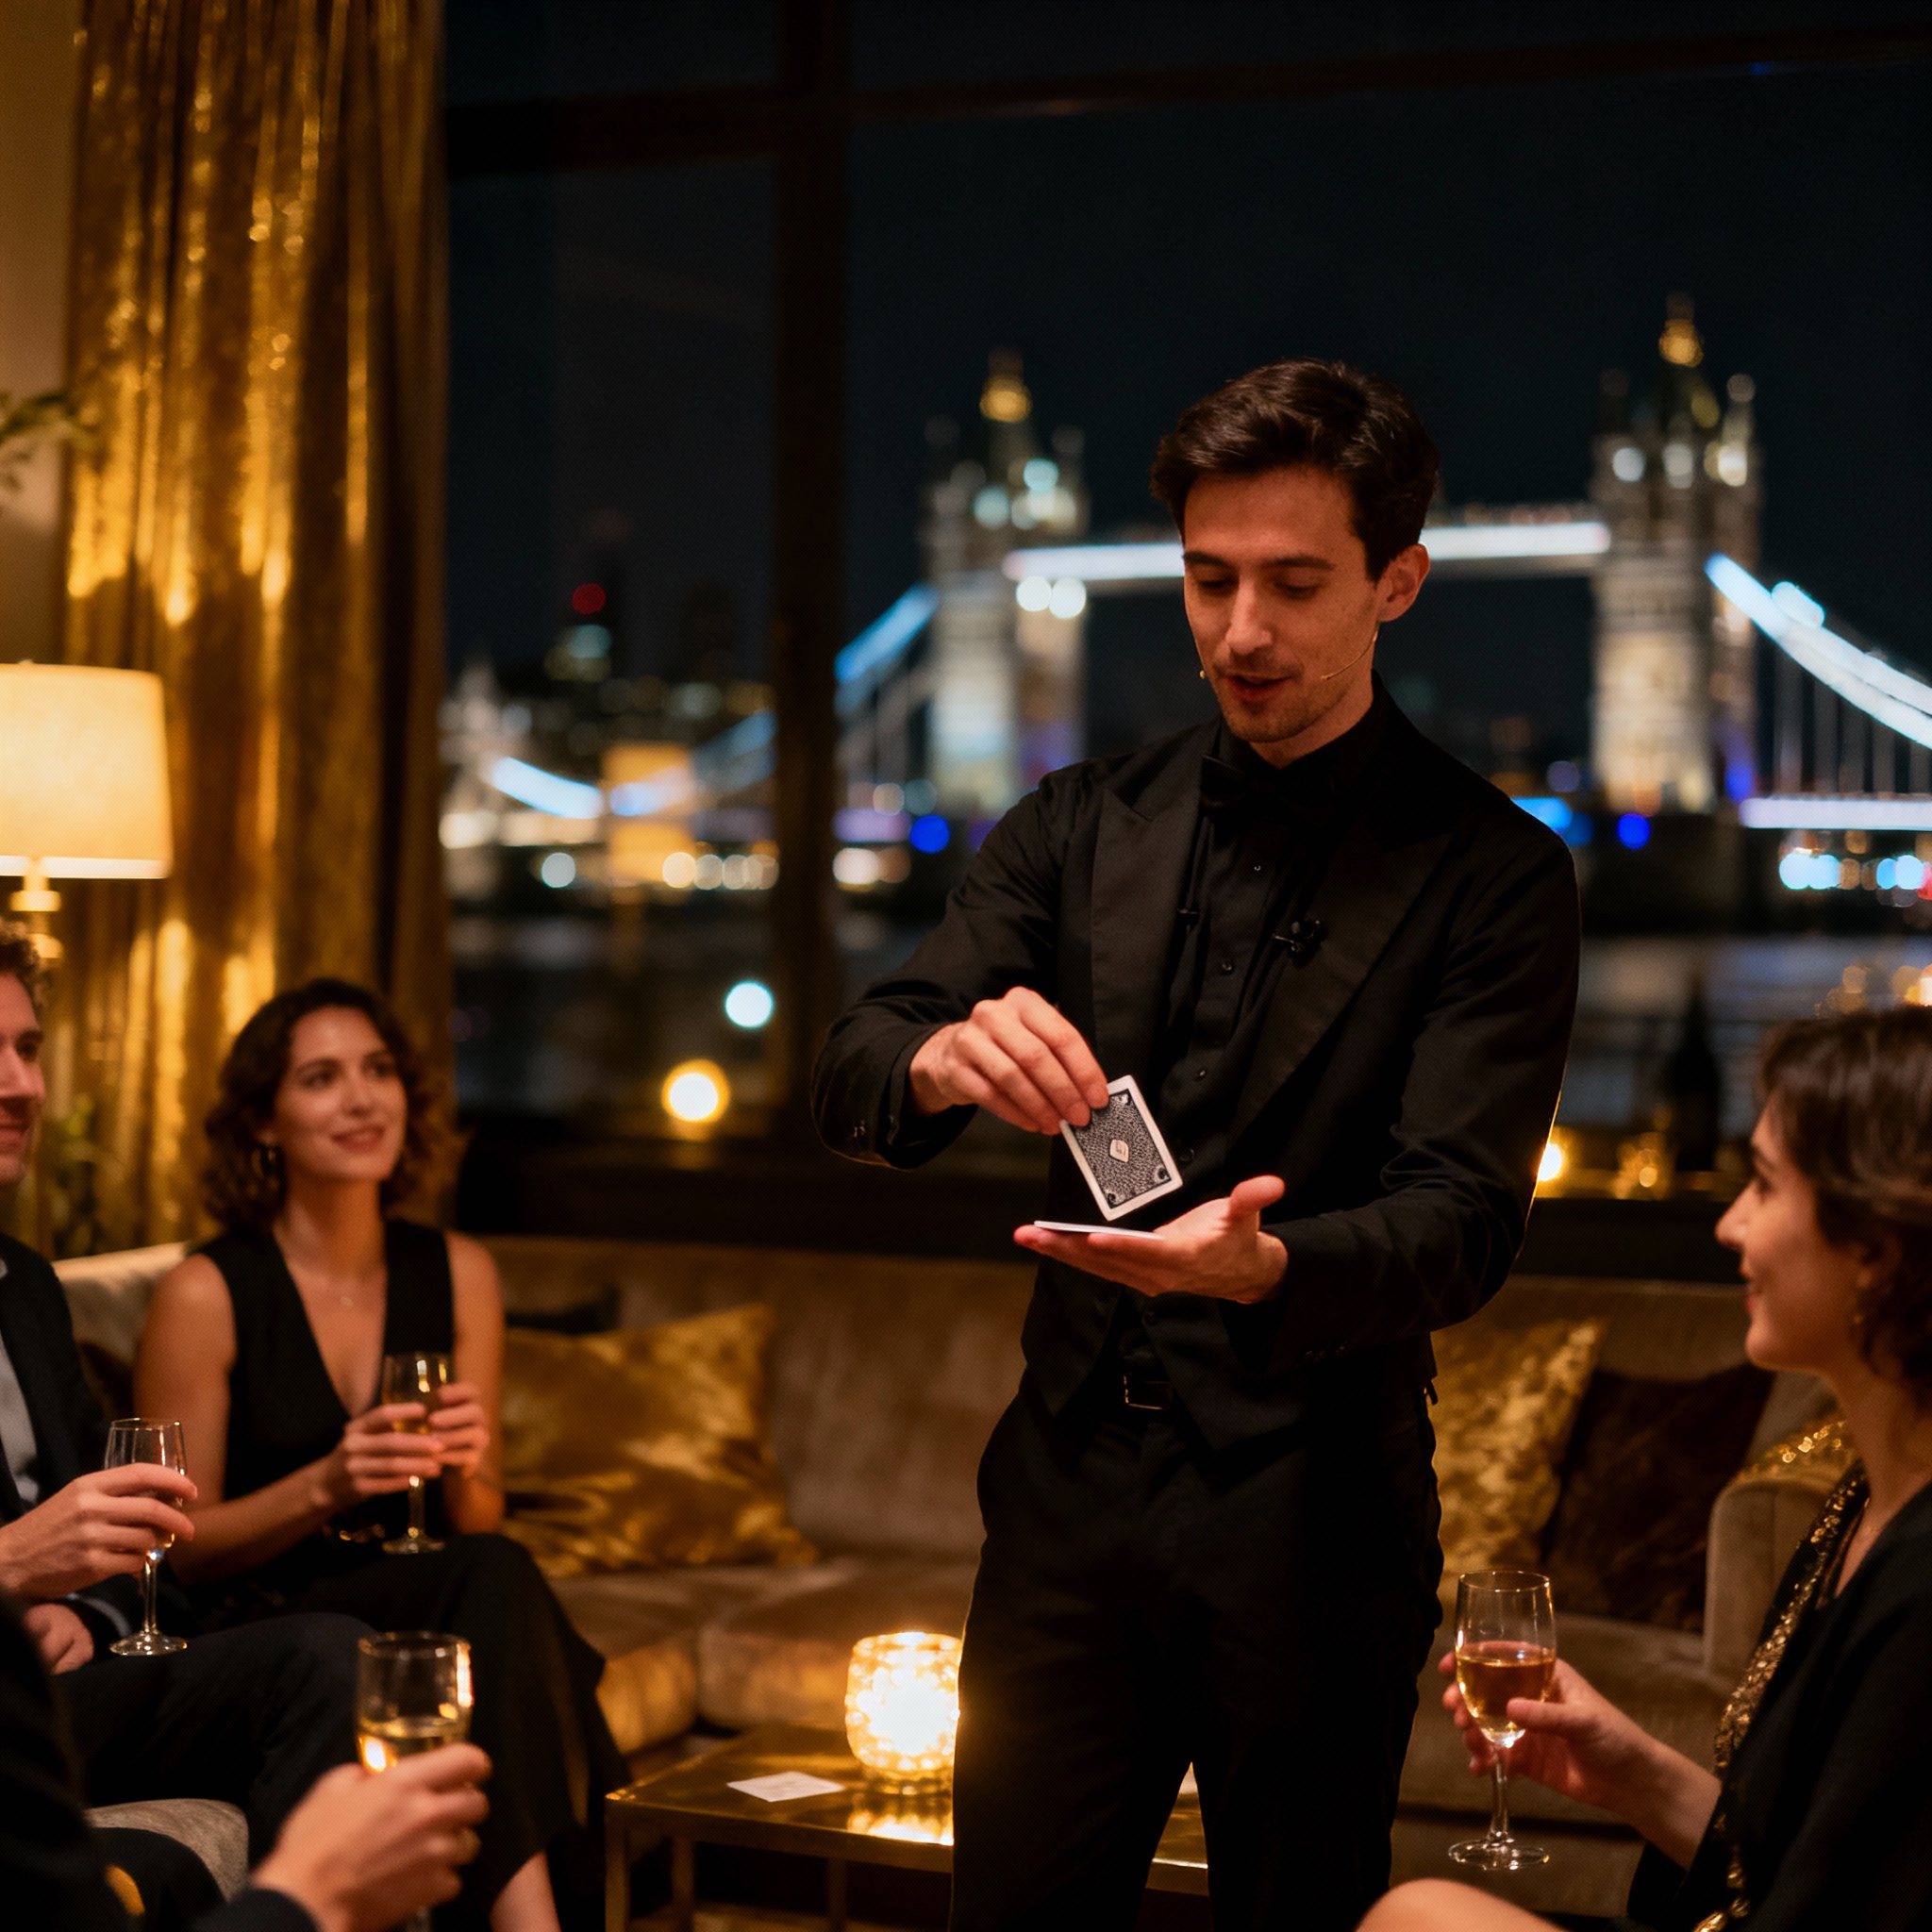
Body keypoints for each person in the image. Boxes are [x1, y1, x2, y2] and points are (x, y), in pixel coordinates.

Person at [812, 359, 1581, 1930]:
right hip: (1064, 1498)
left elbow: (1461, 1219)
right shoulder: (1075, 820)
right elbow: (853, 1064)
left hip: (1311, 1522)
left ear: (1397, 581)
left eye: (1294, 584)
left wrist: (1268, 1265)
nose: (1241, 631)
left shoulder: (1492, 874)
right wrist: (945, 1055)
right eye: (1208, 579)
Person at [1363, 1007, 1932, 1932]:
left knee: (1417, 1913)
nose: (1729, 1224)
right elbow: (1789, 1857)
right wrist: (1627, 1768)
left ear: (1874, 1242)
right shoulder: (1856, 1506)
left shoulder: (1920, 1583)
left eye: (1762, 1183)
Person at [135, 978, 625, 1932]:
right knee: (492, 1598)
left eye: (378, 1070)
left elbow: (474, 1516)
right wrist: (328, 1481)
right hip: (266, 1612)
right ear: (264, 1123)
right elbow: (173, 1546)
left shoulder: (459, 1269)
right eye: (321, 1078)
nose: (362, 1100)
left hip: (421, 1587)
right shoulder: (206, 1290)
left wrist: (466, 1458)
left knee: (491, 1568)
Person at [0, 928, 384, 1906]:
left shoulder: (29, 1289)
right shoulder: (216, 1284)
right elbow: (40, 1542)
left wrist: (83, 1607)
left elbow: (129, 1533)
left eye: (31, 1048)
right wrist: (9, 1570)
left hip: (66, 1689)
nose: (21, 1086)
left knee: (332, 1652)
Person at [3, 1579, 491, 1930]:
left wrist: (86, 1608)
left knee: (475, 1577)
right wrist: (307, 1896)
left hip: (70, 1660)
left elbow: (152, 1560)